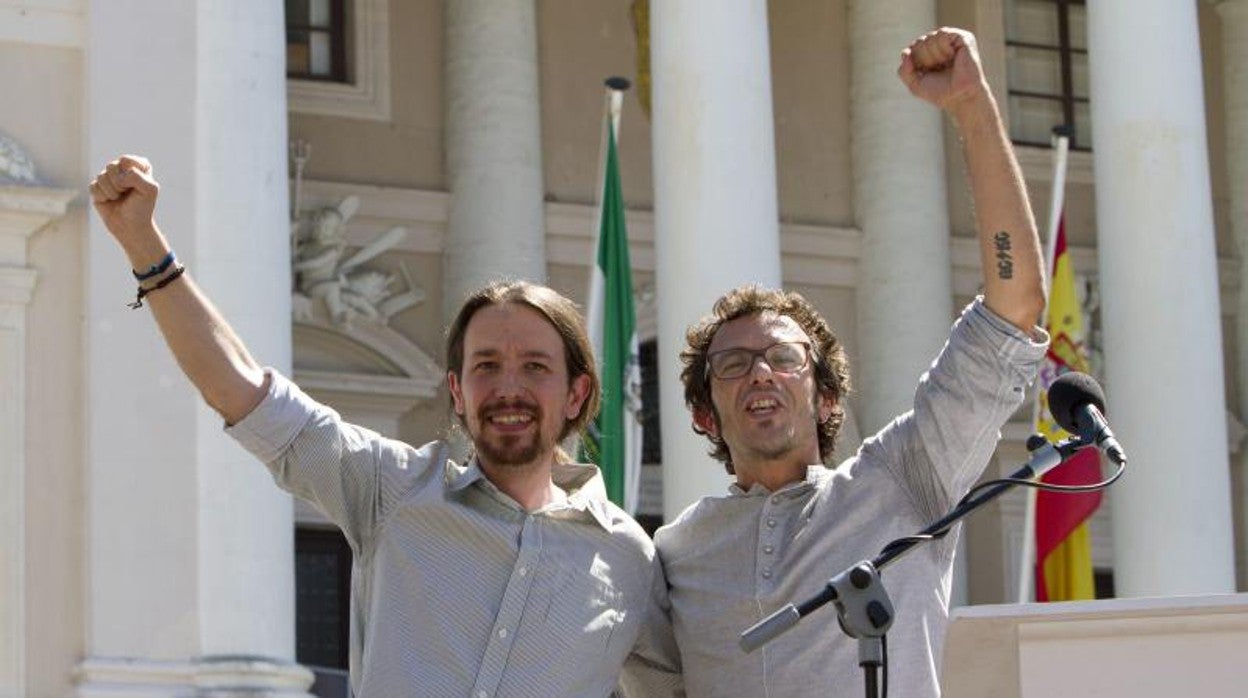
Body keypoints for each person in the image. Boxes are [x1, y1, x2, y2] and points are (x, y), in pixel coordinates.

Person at [88, 160, 681, 696]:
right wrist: (143, 244)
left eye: (535, 367)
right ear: (457, 391)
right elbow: (243, 391)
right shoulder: (390, 490)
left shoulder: (629, 558)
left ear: (577, 392)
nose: (508, 388)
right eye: (486, 367)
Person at [654, 27, 1049, 697]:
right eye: (734, 364)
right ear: (703, 414)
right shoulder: (673, 553)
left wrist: (973, 106)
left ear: (829, 396)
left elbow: (1014, 307)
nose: (760, 373)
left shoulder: (904, 482)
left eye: (784, 357)